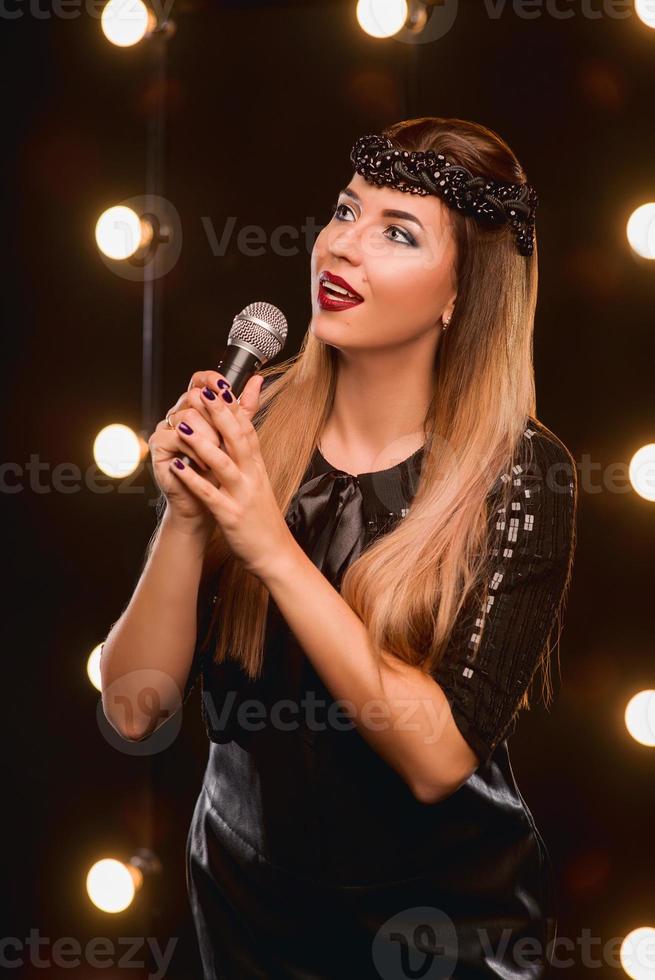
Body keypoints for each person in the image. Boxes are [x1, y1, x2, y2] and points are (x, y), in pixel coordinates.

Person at [100, 117, 578, 979]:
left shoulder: (519, 475)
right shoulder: (258, 425)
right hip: (248, 914)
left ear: (458, 297)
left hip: (439, 933)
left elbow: (436, 758)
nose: (343, 248)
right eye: (345, 212)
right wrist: (186, 520)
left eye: (397, 232)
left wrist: (266, 542)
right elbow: (133, 710)